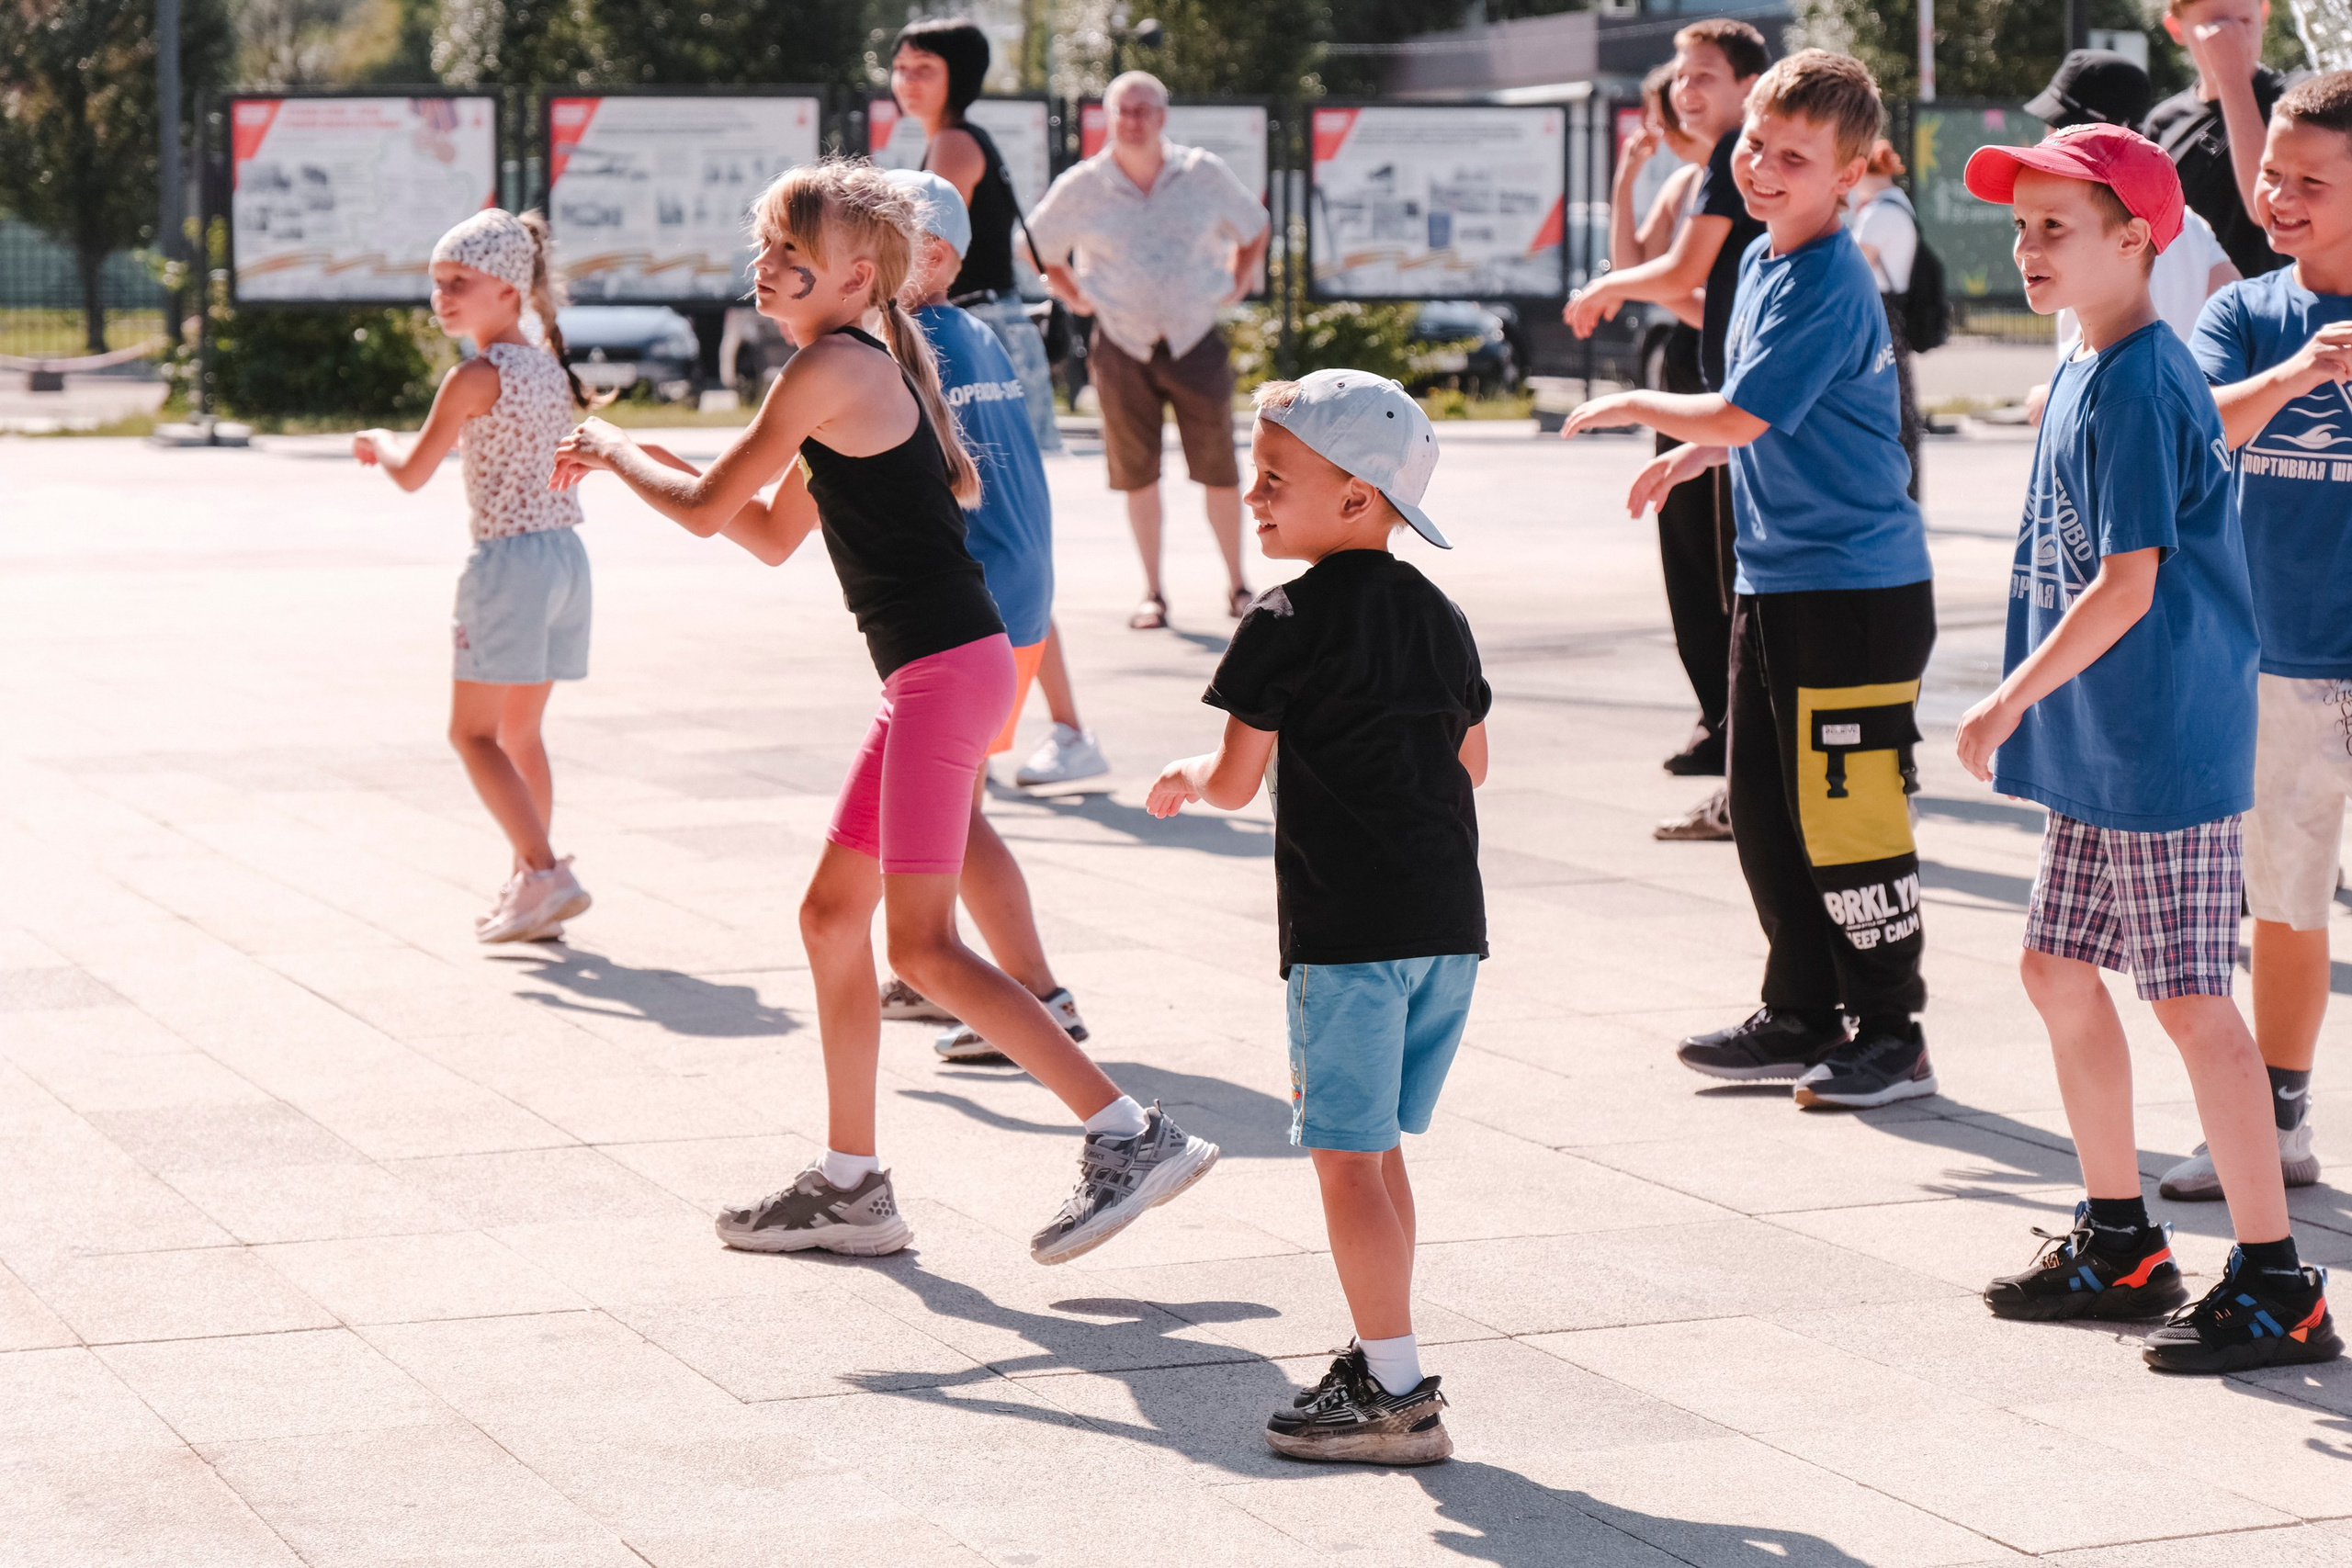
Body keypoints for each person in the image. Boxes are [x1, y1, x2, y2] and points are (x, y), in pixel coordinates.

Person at [548, 162, 1217, 1265]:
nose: (765, 269)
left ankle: (1129, 1133)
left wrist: (619, 451)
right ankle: (852, 1187)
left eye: (790, 257)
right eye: (764, 248)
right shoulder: (857, 367)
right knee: (828, 919)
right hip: (934, 674)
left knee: (922, 942)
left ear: (857, 278)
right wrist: (645, 459)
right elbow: (762, 531)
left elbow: (712, 511)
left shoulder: (827, 369)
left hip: (948, 672)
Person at [1956, 124, 2338, 1374]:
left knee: (2184, 995)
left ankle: (2280, 1281)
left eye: (2057, 225)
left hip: (2162, 737)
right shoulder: (2090, 359)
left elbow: (2128, 583)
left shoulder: (2133, 379)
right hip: (2104, 736)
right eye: (2023, 227)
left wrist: (2006, 696)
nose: (2029, 247)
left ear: (2139, 238)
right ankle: (2119, 1240)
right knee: (2059, 967)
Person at [1561, 51, 1938, 1111]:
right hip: (1778, 581)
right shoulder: (1772, 258)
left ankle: (1893, 1031)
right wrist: (1698, 454)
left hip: (1855, 595)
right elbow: (1753, 411)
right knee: (1766, 811)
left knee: (1849, 818)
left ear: (1849, 171)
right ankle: (1801, 1015)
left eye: (1793, 157)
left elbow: (1735, 409)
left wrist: (1649, 412)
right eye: (1754, 147)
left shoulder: (1827, 273)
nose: (1763, 169)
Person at [1148, 369, 1487, 1464]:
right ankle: (1377, 1351)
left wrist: (1186, 776)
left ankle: (1393, 1390)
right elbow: (1471, 761)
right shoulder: (1438, 613)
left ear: (1356, 501)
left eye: (1274, 479)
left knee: (1345, 1158)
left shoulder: (1281, 619)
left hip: (1348, 934)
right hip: (1446, 926)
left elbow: (1238, 779)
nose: (1254, 498)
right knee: (1377, 1155)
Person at [854, 169, 1093, 1066]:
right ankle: (933, 969)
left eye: (877, 242)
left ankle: (1037, 995)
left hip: (977, 600)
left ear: (937, 257)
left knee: (951, 808)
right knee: (953, 801)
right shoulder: (979, 336)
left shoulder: (908, 345)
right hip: (1020, 584)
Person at [2172, 71, 2352, 1203]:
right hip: (2274, 662)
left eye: (2309, 182)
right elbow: (2194, 433)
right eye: (2271, 174)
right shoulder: (2243, 312)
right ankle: (2277, 1118)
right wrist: (2294, 376)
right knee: (2284, 902)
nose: (2276, 196)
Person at [352, 209, 595, 945]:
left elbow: (413, 472)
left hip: (509, 565)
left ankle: (546, 871)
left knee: (472, 735)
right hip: (565, 558)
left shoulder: (474, 377)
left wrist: (382, 443)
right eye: (437, 284)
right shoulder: (550, 367)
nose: (444, 297)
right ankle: (532, 884)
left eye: (461, 282)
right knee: (521, 733)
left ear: (510, 292)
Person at [888, 18, 1110, 794]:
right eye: (902, 66)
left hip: (963, 333)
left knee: (989, 538)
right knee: (1008, 541)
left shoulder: (951, 147)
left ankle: (999, 745)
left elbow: (939, 244)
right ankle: (1064, 729)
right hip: (988, 327)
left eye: (924, 67)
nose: (907, 78)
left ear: (959, 77)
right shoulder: (956, 139)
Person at [1565, 17, 1769, 842]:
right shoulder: (1723, 162)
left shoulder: (1734, 158)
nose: (1687, 89)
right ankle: (1746, 768)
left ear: (1749, 85)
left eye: (1705, 75)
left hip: (1741, 383)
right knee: (1725, 575)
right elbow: (1679, 274)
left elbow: (1684, 277)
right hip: (1733, 382)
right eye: (1681, 76)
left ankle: (1752, 776)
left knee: (1743, 580)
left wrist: (1604, 290)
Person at [1028, 70, 1271, 630]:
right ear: (1109, 119)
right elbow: (1036, 245)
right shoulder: (1085, 184)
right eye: (1124, 111)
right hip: (1120, 342)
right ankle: (1153, 592)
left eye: (1145, 110)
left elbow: (1254, 223)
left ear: (1163, 116)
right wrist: (1070, 294)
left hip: (1194, 338)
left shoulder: (1202, 172)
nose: (1134, 121)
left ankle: (1237, 584)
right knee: (1137, 473)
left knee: (1220, 468)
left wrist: (1239, 276)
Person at [1617, 63, 1736, 822]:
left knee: (1723, 556)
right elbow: (1637, 266)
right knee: (1687, 553)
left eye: (1690, 92)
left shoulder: (1733, 177)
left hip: (1712, 364)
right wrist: (1624, 182)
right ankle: (1714, 714)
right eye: (1667, 101)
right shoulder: (1683, 183)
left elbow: (1668, 282)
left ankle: (1734, 718)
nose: (1675, 111)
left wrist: (1627, 287)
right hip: (1682, 359)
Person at [2020, 51, 2241, 422]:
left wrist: (2057, 388)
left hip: (2104, 411)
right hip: (2171, 407)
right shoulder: (2187, 220)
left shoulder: (2092, 222)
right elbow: (2236, 303)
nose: (2047, 138)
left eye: (2058, 126)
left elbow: (2107, 317)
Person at [2145, 0, 2289, 280]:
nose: (2232, 39)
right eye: (2216, 28)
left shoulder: (2295, 103)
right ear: (2176, 28)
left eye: (2244, 22)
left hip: (2277, 310)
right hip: (2192, 313)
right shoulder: (2163, 123)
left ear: (2263, 14)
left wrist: (2232, 77)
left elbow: (2267, 208)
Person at [1845, 141, 1926, 501]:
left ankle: (1896, 489)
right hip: (1892, 309)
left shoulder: (1878, 213)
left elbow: (1853, 268)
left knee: (1889, 404)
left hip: (1879, 309)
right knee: (1899, 402)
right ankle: (1904, 489)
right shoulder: (1898, 204)